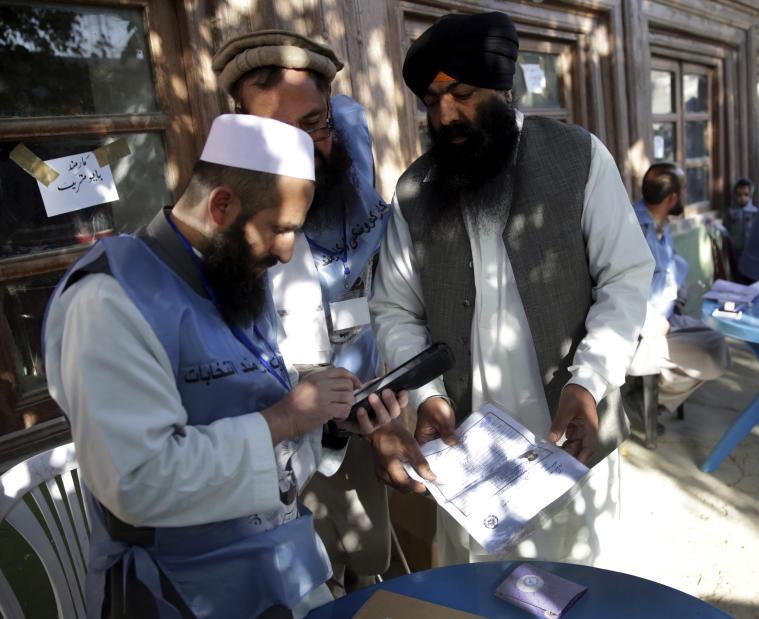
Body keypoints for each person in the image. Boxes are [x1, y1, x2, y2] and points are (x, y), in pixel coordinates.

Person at [42, 114, 405, 618]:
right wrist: (285, 419)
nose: (286, 252)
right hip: (181, 589)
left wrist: (331, 419)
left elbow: (253, 404)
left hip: (285, 564)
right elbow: (139, 481)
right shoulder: (109, 300)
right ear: (221, 205)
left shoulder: (234, 273)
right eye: (281, 230)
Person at [367, 11, 654, 568]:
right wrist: (428, 398)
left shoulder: (579, 157)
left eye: (462, 94)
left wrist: (589, 384)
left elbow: (625, 279)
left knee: (578, 583)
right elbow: (395, 309)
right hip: (468, 455)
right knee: (477, 587)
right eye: (430, 100)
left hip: (569, 432)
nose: (445, 114)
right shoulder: (415, 190)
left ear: (504, 87)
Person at [213, 30, 394, 593]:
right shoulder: (222, 201)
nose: (300, 146)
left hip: (366, 401)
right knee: (308, 566)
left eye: (313, 125)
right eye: (274, 131)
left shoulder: (349, 149)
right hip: (283, 418)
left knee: (370, 548)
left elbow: (386, 276)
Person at [623, 163, 729, 416]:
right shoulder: (634, 229)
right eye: (683, 189)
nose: (685, 194)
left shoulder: (659, 223)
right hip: (641, 330)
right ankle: (648, 399)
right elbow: (619, 286)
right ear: (672, 198)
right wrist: (649, 322)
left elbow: (670, 268)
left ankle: (658, 394)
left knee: (717, 340)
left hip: (667, 319)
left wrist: (678, 299)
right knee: (710, 353)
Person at [723, 176, 758, 257]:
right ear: (735, 195)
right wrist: (725, 248)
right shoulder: (730, 212)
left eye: (746, 194)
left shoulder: (755, 212)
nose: (742, 198)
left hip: (751, 250)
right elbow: (725, 232)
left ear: (750, 195)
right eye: (739, 195)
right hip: (735, 250)